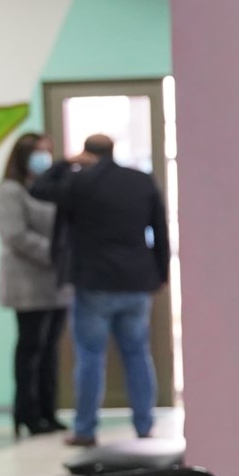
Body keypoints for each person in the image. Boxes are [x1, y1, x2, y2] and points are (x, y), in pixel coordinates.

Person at [32, 133, 169, 446]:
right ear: (112, 151)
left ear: (86, 153)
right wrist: (161, 273)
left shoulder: (80, 182)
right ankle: (144, 424)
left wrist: (64, 163)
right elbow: (159, 228)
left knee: (91, 356)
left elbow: (39, 189)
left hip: (93, 282)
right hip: (136, 281)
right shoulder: (141, 180)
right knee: (137, 353)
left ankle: (85, 429)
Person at [0, 132, 67, 438]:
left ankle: (49, 412)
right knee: (31, 348)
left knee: (50, 350)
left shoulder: (51, 189)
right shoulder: (10, 190)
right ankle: (27, 412)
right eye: (37, 152)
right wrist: (55, 253)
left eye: (47, 151)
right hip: (27, 280)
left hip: (57, 282)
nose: (44, 157)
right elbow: (14, 234)